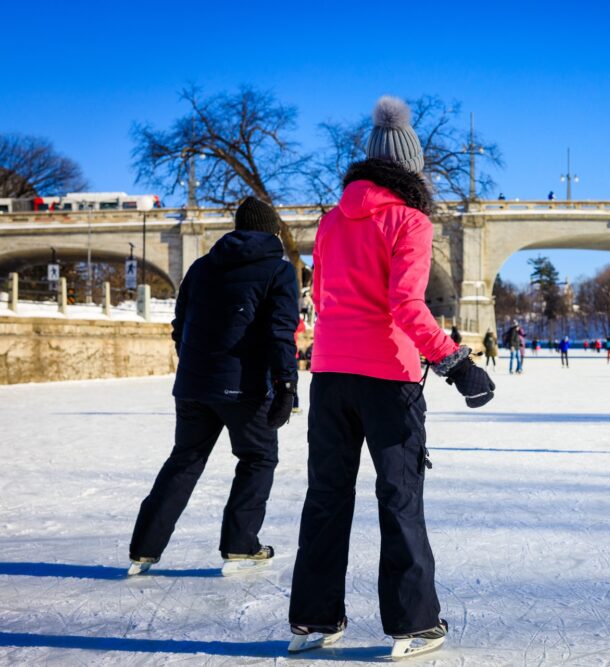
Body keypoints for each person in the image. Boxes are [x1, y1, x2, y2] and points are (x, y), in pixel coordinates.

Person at [287, 97, 494, 658]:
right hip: (387, 379)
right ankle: (413, 623)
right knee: (399, 497)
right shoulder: (410, 221)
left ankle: (313, 619)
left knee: (326, 497)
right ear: (412, 168)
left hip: (330, 375)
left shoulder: (331, 221)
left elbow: (322, 296)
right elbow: (405, 304)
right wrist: (457, 363)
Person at [128, 196, 299, 576]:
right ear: (273, 232)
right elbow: (280, 332)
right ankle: (240, 543)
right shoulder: (278, 270)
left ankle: (144, 548)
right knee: (258, 458)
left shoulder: (201, 267)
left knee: (185, 460)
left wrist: (196, 365)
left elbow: (180, 325)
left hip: (193, 384)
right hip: (245, 388)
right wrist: (286, 384)